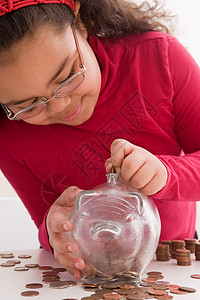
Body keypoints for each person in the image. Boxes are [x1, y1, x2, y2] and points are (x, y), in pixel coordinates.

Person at [0, 0, 200, 279]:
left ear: (79, 23)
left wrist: (166, 174)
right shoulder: (8, 136)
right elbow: (46, 221)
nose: (60, 107)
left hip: (177, 264)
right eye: (28, 105)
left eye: (68, 75)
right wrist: (53, 231)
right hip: (89, 274)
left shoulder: (160, 58)